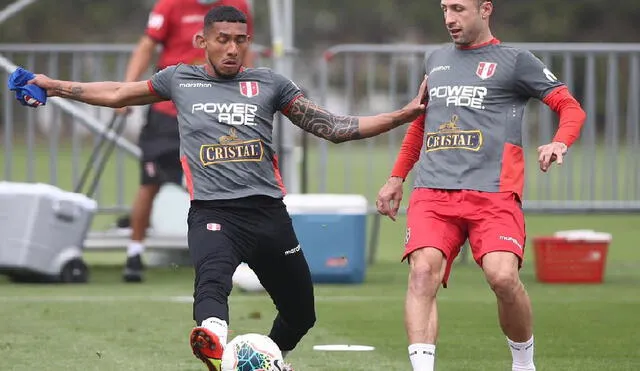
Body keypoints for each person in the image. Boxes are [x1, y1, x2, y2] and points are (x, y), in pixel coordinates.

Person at [24, 6, 427, 370]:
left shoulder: (271, 84)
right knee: (212, 281)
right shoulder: (179, 78)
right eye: (222, 40)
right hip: (213, 213)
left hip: (269, 214)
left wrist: (404, 114)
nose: (232, 49)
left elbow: (335, 128)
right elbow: (116, 93)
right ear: (203, 42)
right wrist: (53, 85)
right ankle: (214, 338)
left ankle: (262, 361)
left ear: (248, 42)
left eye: (240, 40)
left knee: (302, 314)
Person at [375, 1, 586, 370]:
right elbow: (421, 123)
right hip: (433, 192)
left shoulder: (516, 60)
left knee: (503, 278)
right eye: (444, 9)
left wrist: (560, 142)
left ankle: (523, 364)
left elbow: (570, 107)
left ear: (485, 8)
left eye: (459, 8)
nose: (449, 19)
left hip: (494, 193)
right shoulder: (435, 60)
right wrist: (397, 177)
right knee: (423, 271)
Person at [118, 0, 255, 283]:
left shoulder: (237, 5)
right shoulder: (170, 5)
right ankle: (134, 252)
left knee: (229, 182)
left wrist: (249, 96)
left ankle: (236, 255)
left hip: (216, 112)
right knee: (150, 181)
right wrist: (126, 91)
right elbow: (146, 45)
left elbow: (244, 52)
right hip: (168, 112)